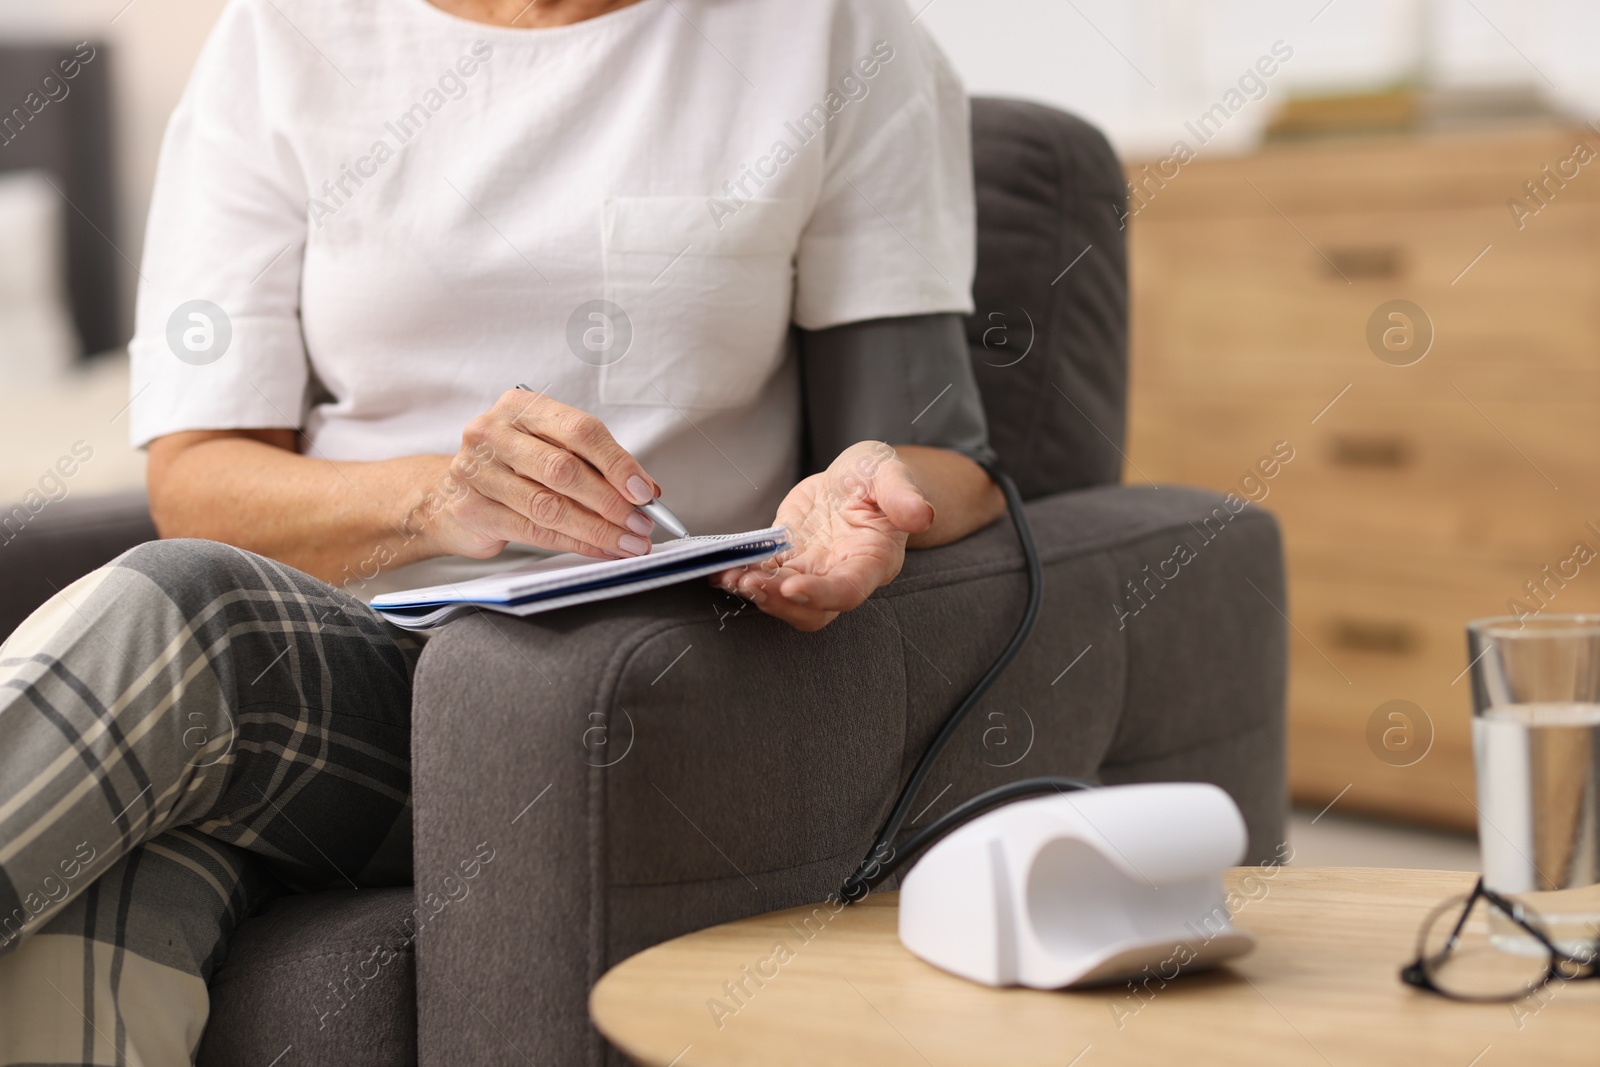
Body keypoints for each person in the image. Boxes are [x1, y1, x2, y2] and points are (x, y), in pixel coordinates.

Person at [0, 0, 1001, 1062]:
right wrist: (435, 500)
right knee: (91, 903)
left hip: (634, 686)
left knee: (189, 613)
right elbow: (196, 481)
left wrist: (860, 488)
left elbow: (939, 453)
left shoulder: (831, 32)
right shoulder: (279, 36)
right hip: (337, 682)